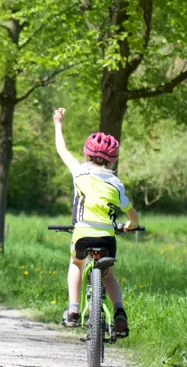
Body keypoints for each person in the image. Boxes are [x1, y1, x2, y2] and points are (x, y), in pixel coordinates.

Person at [52, 108, 138, 338]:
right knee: (108, 275)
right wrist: (131, 226)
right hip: (107, 238)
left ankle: (72, 309)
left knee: (76, 263)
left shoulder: (78, 172)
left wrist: (58, 122)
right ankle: (119, 312)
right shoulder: (116, 183)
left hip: (81, 235)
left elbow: (61, 149)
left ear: (87, 154)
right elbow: (132, 214)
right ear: (113, 159)